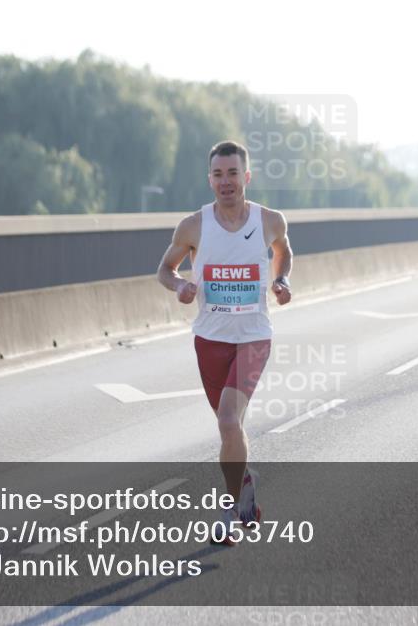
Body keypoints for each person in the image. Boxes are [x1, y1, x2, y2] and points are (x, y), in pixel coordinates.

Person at [156, 140, 293, 545]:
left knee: (229, 421)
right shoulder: (193, 226)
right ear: (209, 179)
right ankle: (245, 486)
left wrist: (281, 280)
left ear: (246, 177)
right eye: (218, 174)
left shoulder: (270, 220)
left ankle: (228, 513)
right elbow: (164, 268)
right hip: (209, 339)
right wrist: (180, 284)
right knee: (230, 429)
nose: (226, 182)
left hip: (253, 338)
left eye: (233, 173)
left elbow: (283, 252)